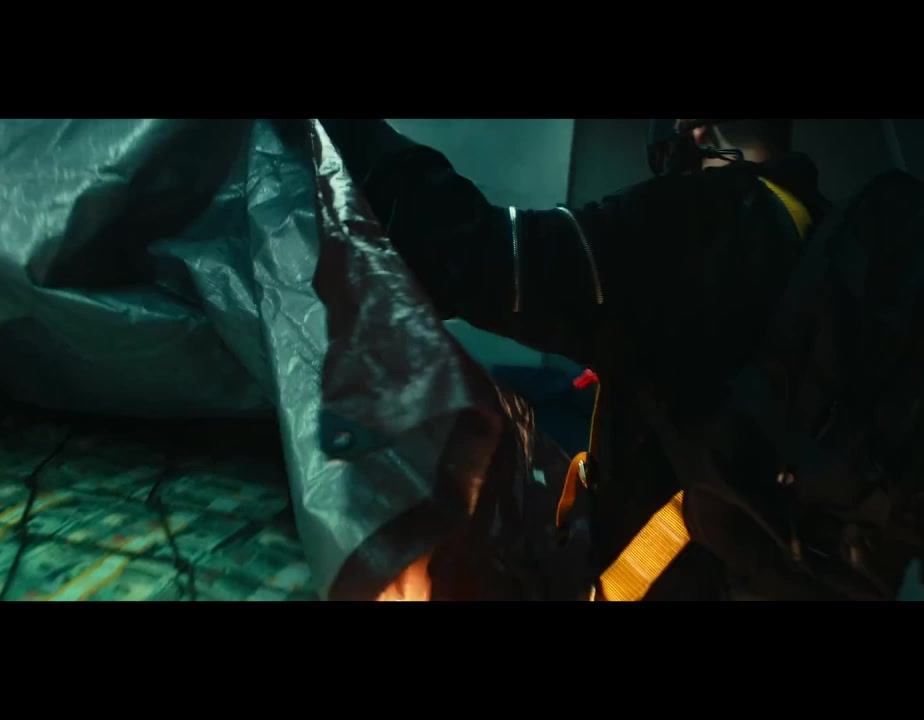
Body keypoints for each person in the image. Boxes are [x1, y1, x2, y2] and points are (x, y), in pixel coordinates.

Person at [322, 118, 835, 600]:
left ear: (697, 126)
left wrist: (346, 131)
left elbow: (484, 257)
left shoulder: (709, 220)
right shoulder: (813, 228)